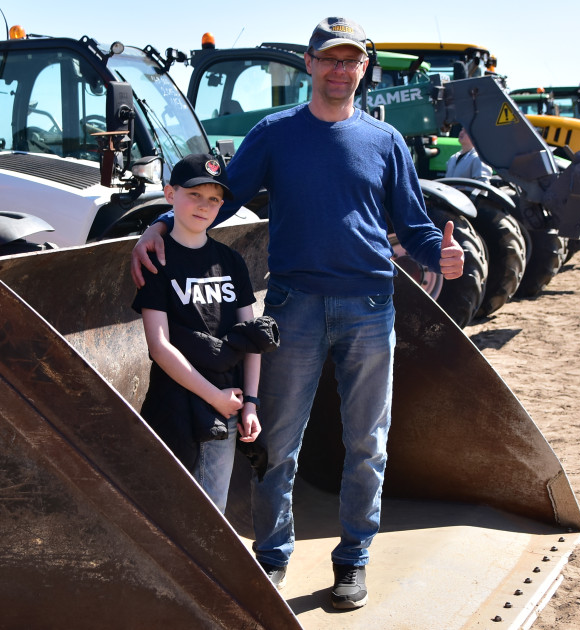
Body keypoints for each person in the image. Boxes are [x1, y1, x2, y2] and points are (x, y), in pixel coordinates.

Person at [131, 16, 464, 610]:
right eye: (329, 59)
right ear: (309, 65)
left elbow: (412, 221)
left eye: (352, 60)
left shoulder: (384, 142)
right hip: (293, 307)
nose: (340, 70)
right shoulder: (275, 133)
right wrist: (159, 223)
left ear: (364, 69)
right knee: (278, 441)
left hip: (368, 305)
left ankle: (353, 559)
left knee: (368, 441)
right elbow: (219, 195)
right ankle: (272, 557)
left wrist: (436, 251)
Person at [131, 152, 266, 512]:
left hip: (226, 408)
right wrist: (213, 396)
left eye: (214, 199)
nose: (204, 206)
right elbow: (159, 347)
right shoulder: (156, 259)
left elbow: (251, 336)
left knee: (212, 512)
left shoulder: (231, 261)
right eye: (194, 194)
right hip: (174, 406)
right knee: (173, 511)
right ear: (169, 194)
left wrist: (249, 403)